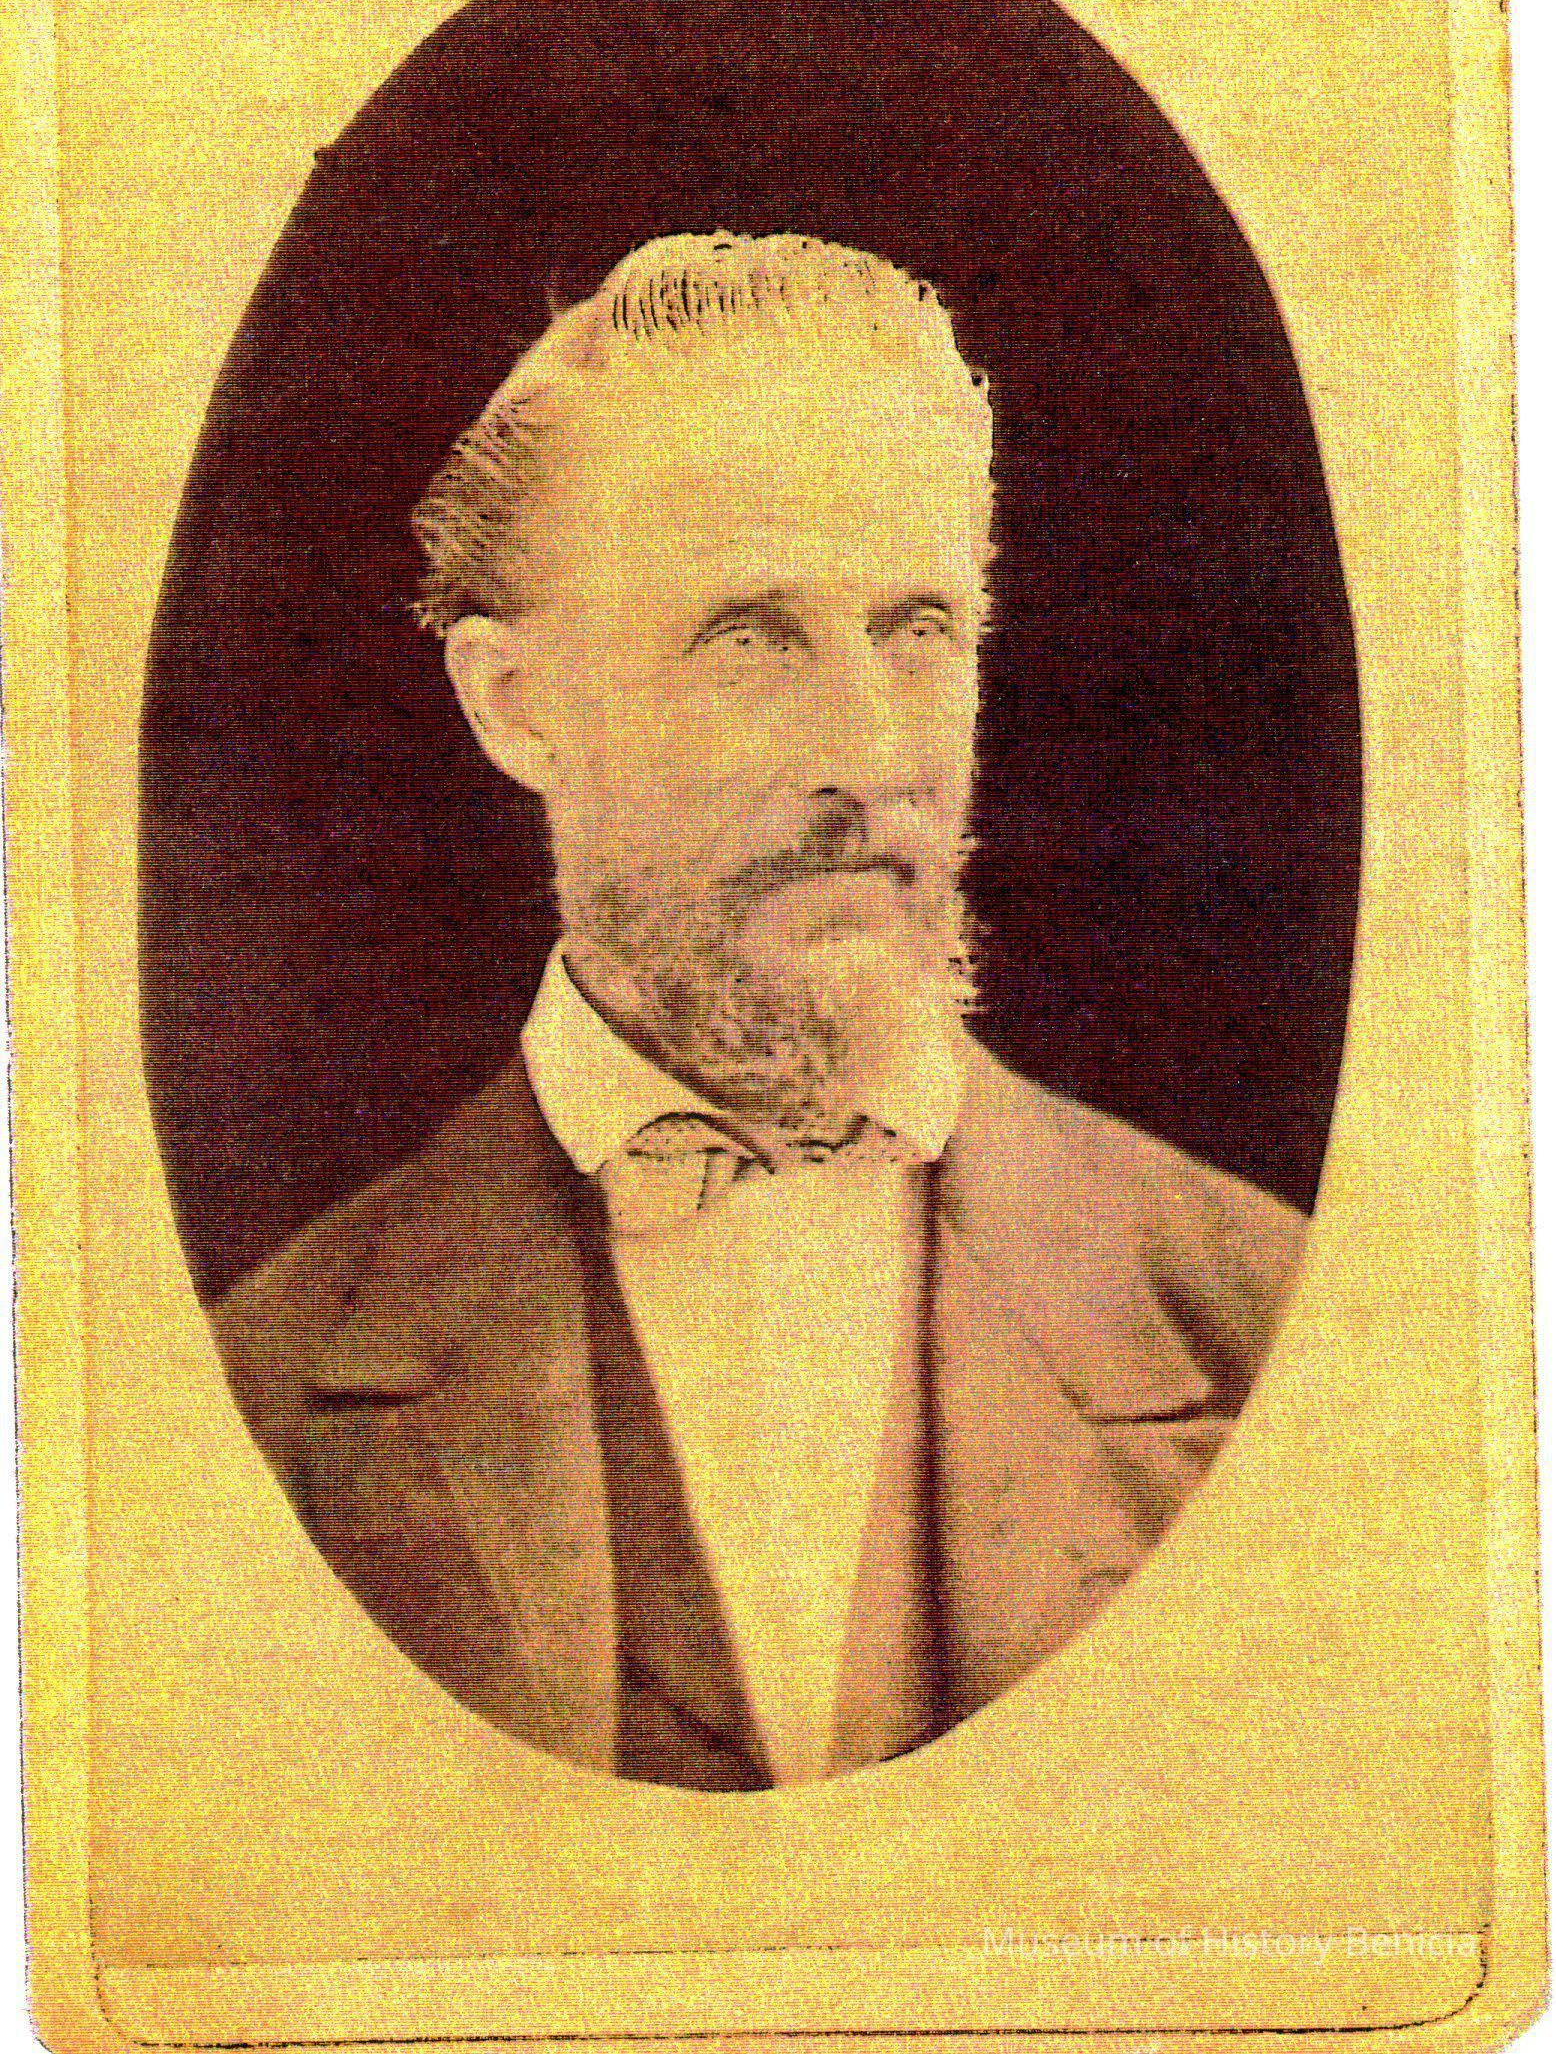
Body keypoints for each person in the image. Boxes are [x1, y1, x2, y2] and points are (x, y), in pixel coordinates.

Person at [212, 230, 1305, 1792]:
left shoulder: (1264, 1323)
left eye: (918, 631)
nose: (867, 753)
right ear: (515, 704)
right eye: (750, 640)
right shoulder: (252, 1411)